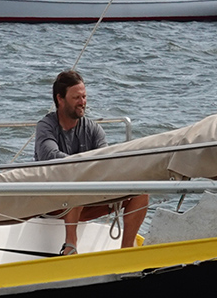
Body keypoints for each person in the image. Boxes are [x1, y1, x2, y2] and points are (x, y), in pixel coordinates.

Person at [34, 68, 145, 254]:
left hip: (86, 201)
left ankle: (127, 252)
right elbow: (49, 157)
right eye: (76, 98)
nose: (82, 102)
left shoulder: (94, 130)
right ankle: (70, 246)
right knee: (78, 177)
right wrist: (85, 165)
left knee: (141, 191)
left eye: (84, 97)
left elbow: (106, 163)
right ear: (60, 99)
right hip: (51, 203)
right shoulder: (46, 126)